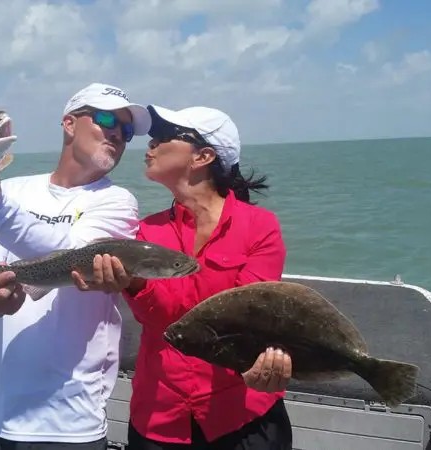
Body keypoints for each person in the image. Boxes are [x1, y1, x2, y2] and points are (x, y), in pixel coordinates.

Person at [0, 82, 152, 449]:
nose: (117, 132)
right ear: (69, 123)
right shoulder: (13, 189)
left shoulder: (117, 202)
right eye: (104, 119)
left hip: (65, 422)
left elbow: (73, 257)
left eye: (126, 130)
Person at [71, 104, 294, 449]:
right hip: (160, 418)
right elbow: (160, 318)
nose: (151, 145)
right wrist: (132, 281)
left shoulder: (260, 227)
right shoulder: (145, 232)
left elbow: (242, 316)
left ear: (203, 156)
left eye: (163, 137)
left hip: (243, 415)